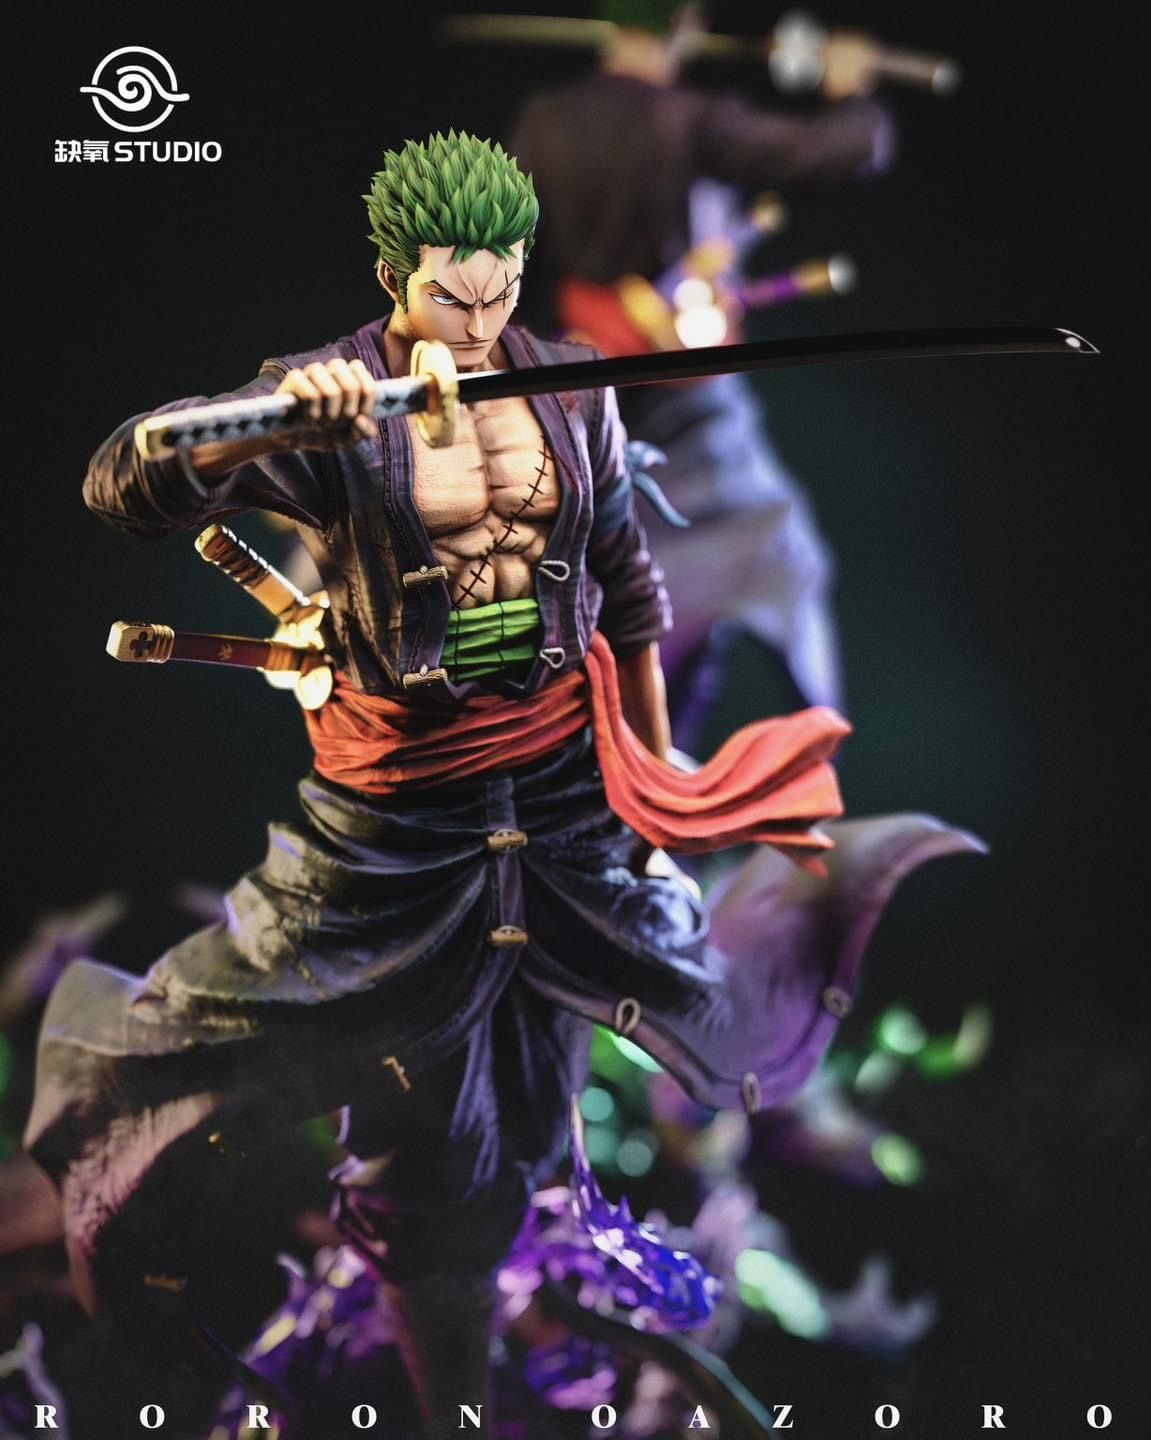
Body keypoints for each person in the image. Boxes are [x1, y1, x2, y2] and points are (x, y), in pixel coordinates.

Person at [22, 132, 975, 1439]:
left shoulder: (573, 392)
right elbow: (123, 483)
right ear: (392, 277)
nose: (476, 324)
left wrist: (655, 781)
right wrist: (260, 431)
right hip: (395, 830)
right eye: (447, 297)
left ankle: (500, 1347)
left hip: (566, 803)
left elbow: (626, 593)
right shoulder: (322, 397)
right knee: (301, 1100)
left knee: (573, 1085)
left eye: (499, 289)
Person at [510, 0, 897, 743]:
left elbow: (508, 251)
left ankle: (654, 762)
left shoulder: (544, 121)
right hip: (681, 404)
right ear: (684, 23)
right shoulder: (687, 119)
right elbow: (842, 151)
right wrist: (852, 92)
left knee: (639, 591)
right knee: (779, 561)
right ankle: (802, 764)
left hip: (585, 393)